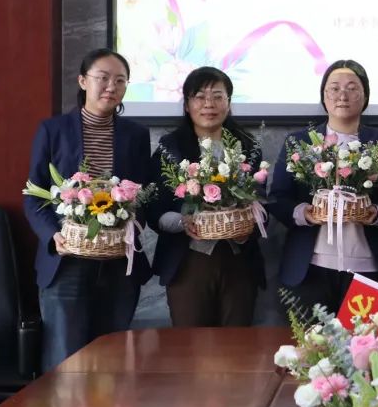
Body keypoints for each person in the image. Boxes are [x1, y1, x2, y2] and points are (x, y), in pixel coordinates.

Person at [23, 48, 153, 370]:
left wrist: (128, 223)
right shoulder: (52, 130)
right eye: (103, 78)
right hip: (66, 262)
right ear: (83, 81)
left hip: (118, 265)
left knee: (113, 363)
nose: (111, 86)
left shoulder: (136, 135)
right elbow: (33, 195)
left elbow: (145, 194)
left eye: (120, 80)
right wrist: (52, 235)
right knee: (66, 363)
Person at [269, 60, 378, 314]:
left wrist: (376, 213)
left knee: (365, 340)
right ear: (324, 95)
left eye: (352, 88)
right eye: (334, 88)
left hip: (368, 267)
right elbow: (278, 198)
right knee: (311, 339)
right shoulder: (299, 142)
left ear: (365, 95)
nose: (342, 95)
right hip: (310, 266)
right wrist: (306, 213)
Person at [149, 67, 265, 326]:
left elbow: (264, 200)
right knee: (191, 342)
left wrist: (248, 227)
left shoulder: (248, 147)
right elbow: (154, 208)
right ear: (187, 105)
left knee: (237, 342)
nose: (209, 104)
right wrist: (181, 222)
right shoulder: (170, 148)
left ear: (229, 103)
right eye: (200, 96)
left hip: (239, 259)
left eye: (217, 96)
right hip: (187, 259)